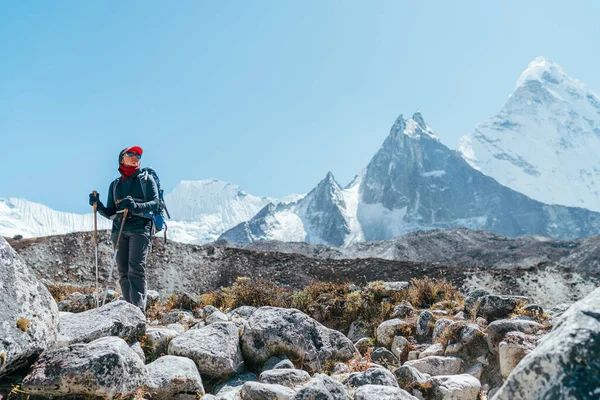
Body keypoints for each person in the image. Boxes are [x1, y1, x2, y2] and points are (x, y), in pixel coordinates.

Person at [89, 146, 159, 312]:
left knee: (136, 269)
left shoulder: (146, 180)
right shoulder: (115, 185)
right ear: (122, 158)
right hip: (118, 229)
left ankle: (138, 312)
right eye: (131, 154)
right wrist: (98, 206)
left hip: (140, 229)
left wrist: (135, 206)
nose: (136, 156)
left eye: (138, 155)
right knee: (123, 271)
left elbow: (155, 203)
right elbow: (112, 212)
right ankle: (129, 310)